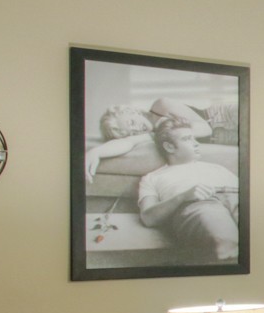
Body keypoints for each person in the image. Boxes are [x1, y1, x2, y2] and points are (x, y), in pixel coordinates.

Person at [138, 117, 240, 262]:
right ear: (169, 147)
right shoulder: (152, 178)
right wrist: (182, 197)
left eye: (194, 138)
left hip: (236, 195)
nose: (197, 143)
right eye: (187, 139)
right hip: (201, 204)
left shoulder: (218, 168)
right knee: (225, 244)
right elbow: (148, 218)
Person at [84, 96, 232, 181]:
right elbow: (126, 143)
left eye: (132, 122)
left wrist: (161, 132)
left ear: (132, 111)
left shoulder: (161, 106)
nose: (137, 129)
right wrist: (95, 152)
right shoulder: (151, 133)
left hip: (225, 118)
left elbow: (205, 129)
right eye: (131, 131)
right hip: (224, 136)